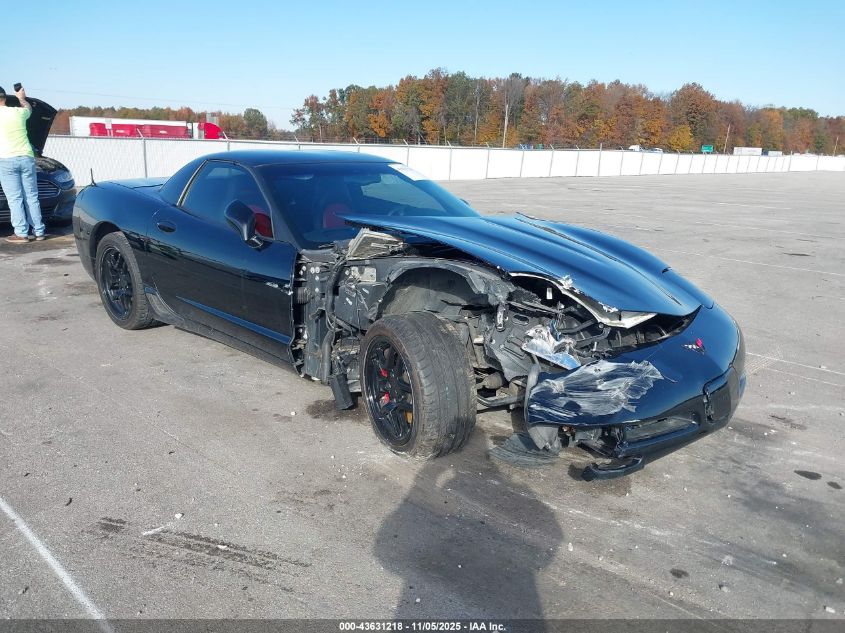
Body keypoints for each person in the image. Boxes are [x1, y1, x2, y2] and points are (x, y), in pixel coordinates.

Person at [0, 84, 46, 243]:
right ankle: (39, 231)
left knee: (15, 198)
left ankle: (21, 233)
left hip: (6, 159)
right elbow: (29, 109)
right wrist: (21, 98)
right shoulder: (19, 112)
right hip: (26, 157)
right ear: (5, 98)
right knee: (32, 196)